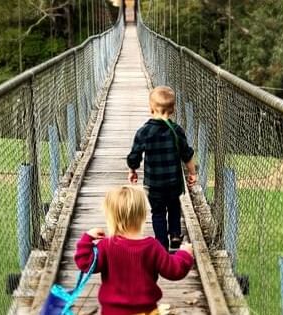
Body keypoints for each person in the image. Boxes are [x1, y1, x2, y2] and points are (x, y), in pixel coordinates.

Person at [74, 186, 194, 315]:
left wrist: (87, 238)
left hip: (112, 311)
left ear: (111, 217)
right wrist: (184, 254)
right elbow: (174, 270)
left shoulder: (106, 246)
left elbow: (85, 263)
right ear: (142, 214)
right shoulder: (152, 246)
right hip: (145, 311)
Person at [126, 86, 197, 250]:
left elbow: (134, 155)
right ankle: (174, 234)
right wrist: (192, 173)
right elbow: (187, 154)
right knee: (174, 207)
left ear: (151, 108)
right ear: (173, 110)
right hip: (174, 183)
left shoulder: (144, 132)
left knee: (157, 213)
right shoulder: (177, 131)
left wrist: (132, 170)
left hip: (154, 184)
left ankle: (161, 244)